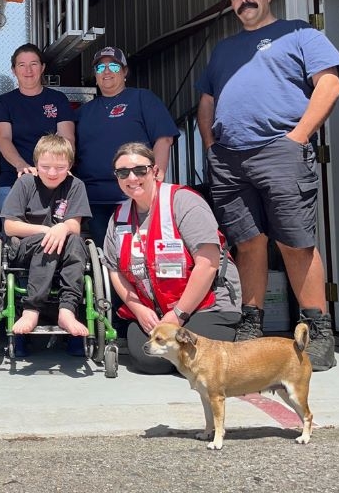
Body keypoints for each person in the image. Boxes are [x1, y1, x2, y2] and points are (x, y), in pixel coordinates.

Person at [196, 0, 339, 371]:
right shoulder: (223, 50)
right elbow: (206, 102)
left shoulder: (299, 34)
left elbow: (329, 85)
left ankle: (318, 332)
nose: (243, 0)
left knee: (295, 242)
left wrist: (298, 137)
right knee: (248, 243)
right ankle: (251, 325)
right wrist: (210, 147)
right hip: (229, 159)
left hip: (280, 150)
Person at [102, 142, 241, 375]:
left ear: (155, 171)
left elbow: (208, 264)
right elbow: (114, 269)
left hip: (205, 305)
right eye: (123, 172)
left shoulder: (183, 201)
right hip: (154, 310)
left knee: (198, 360)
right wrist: (138, 309)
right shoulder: (119, 216)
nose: (132, 178)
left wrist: (178, 314)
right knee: (149, 362)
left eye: (140, 170)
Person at [75, 46, 178, 245]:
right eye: (100, 68)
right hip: (96, 201)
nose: (106, 71)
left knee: (138, 251)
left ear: (124, 72)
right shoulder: (83, 112)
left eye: (113, 66)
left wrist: (157, 177)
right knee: (107, 254)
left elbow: (164, 139)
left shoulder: (142, 98)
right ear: (95, 76)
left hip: (136, 195)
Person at [0, 134, 91, 337]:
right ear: (35, 164)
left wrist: (62, 228)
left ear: (70, 166)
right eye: (45, 166)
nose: (52, 173)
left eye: (60, 167)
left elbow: (74, 226)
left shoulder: (75, 185)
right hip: (26, 248)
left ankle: (67, 310)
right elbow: (10, 226)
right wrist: (47, 231)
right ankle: (31, 309)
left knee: (76, 242)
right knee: (47, 240)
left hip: (64, 248)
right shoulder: (25, 183)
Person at [0, 43, 75, 209]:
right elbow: (3, 139)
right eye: (22, 65)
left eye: (33, 64)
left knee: (57, 225)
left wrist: (56, 170)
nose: (28, 70)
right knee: (15, 224)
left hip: (54, 179)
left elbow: (67, 139)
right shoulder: (4, 102)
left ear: (42, 67)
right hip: (14, 181)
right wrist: (22, 166)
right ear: (14, 70)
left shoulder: (58, 99)